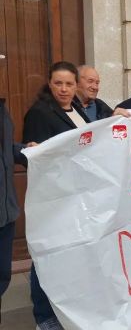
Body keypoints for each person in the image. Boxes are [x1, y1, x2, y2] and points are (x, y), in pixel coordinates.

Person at [22, 61, 92, 330]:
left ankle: (65, 305)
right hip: (53, 197)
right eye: (58, 83)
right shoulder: (40, 113)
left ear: (77, 86)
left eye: (69, 84)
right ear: (49, 84)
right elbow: (32, 159)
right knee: (46, 252)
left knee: (67, 253)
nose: (63, 89)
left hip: (76, 194)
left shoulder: (77, 111)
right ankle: (44, 315)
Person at [0, 99, 34, 321]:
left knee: (3, 277)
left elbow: (5, 150)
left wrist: (25, 150)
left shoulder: (2, 107)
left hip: (6, 213)